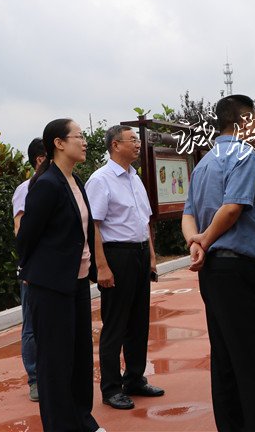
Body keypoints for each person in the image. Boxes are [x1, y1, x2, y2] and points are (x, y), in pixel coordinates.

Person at [182, 94, 255, 432]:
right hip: (239, 269)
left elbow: (188, 216)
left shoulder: (205, 163)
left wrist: (196, 243)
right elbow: (232, 207)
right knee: (254, 357)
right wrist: (206, 241)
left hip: (212, 272)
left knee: (225, 356)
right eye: (254, 120)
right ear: (241, 123)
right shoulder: (243, 154)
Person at [16, 119, 103, 432]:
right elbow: (25, 237)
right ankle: (60, 425)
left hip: (76, 282)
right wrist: (32, 271)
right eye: (78, 136)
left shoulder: (75, 180)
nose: (84, 141)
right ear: (59, 143)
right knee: (55, 363)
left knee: (79, 357)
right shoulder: (48, 184)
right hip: (50, 286)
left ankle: (82, 419)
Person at [86, 125, 163, 410]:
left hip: (140, 254)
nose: (138, 145)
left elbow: (144, 221)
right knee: (115, 324)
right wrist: (102, 267)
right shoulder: (101, 179)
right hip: (116, 255)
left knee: (139, 320)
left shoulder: (135, 178)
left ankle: (134, 378)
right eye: (133, 140)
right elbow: (92, 226)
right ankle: (110, 388)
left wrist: (152, 257)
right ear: (115, 145)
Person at [12, 137, 46, 402]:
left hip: (57, 270)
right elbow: (20, 231)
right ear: (40, 159)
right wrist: (27, 268)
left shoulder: (59, 184)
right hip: (34, 272)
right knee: (32, 327)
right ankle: (35, 379)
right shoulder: (26, 189)